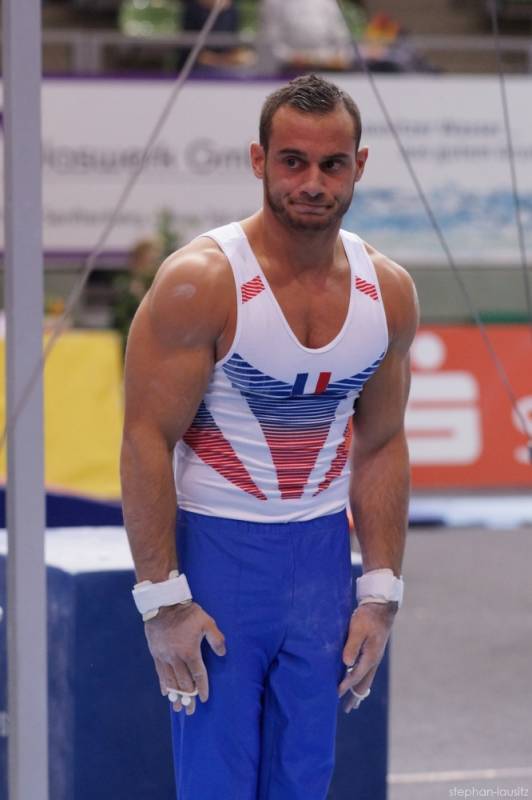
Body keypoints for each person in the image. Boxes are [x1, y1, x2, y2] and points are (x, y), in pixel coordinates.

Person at [121, 74, 419, 800]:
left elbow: (382, 443)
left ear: (359, 165)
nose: (312, 183)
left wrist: (380, 590)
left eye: (332, 164)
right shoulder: (203, 282)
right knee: (216, 782)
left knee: (304, 778)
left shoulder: (388, 292)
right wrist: (163, 600)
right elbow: (145, 438)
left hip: (321, 562)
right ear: (259, 160)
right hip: (219, 556)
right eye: (293, 161)